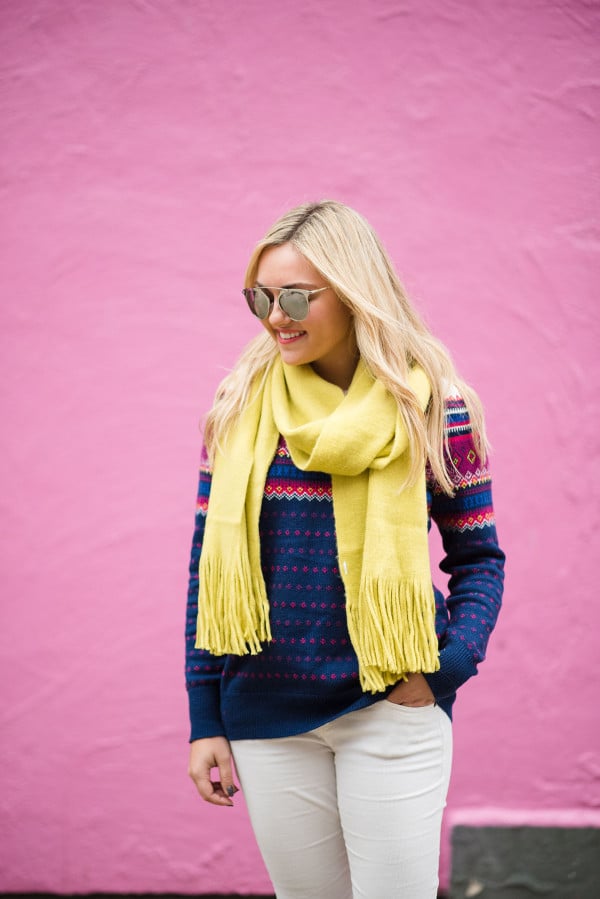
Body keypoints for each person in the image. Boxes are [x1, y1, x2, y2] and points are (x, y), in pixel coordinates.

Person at [185, 200, 505, 899]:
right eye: (261, 296)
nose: (276, 316)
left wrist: (447, 666)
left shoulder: (435, 409)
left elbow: (478, 557)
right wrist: (204, 717)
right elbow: (206, 568)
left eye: (296, 295)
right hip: (267, 715)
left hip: (391, 704)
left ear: (355, 292)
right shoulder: (239, 407)